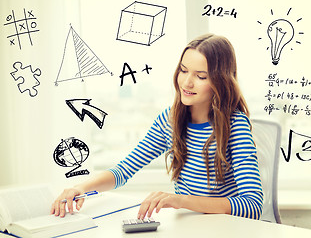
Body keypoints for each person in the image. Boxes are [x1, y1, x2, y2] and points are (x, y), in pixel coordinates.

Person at [51, 33, 263, 220]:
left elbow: (252, 206)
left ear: (221, 81)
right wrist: (81, 188)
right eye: (183, 70)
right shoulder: (169, 120)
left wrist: (181, 201)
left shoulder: (235, 125)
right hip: (188, 225)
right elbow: (124, 170)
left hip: (226, 228)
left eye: (201, 76)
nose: (187, 83)